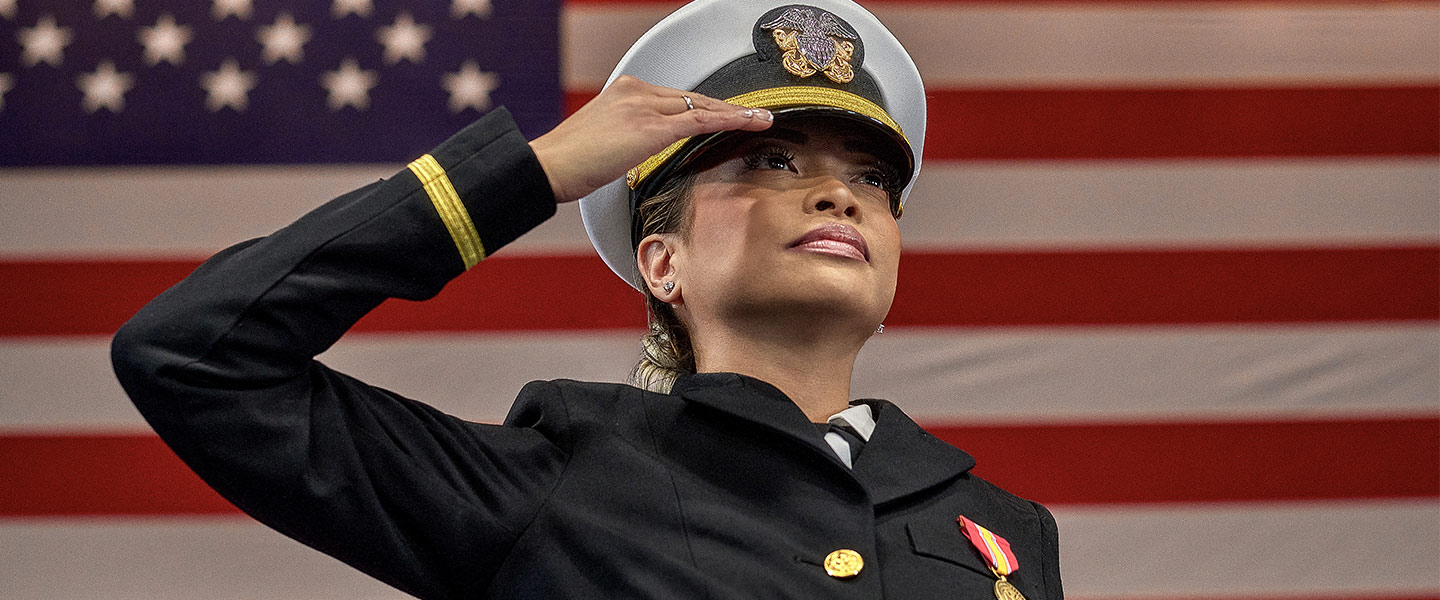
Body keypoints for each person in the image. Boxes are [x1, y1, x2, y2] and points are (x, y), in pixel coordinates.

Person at [111, 1, 1063, 598]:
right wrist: (529, 173)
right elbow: (195, 358)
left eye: (869, 180)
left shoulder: (998, 532)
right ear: (663, 264)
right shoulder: (557, 486)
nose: (839, 194)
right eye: (773, 160)